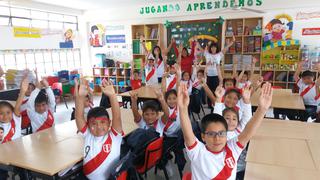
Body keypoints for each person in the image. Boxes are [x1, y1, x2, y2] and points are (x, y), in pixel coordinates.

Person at [177, 82, 273, 179]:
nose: (217, 138)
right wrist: (183, 108)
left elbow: (248, 132)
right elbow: (188, 134)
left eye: (221, 133)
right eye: (211, 134)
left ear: (226, 135)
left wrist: (262, 109)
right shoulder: (197, 152)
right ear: (203, 137)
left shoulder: (232, 148)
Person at [75, 78, 123, 180]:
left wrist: (112, 96)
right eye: (93, 123)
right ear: (88, 125)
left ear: (109, 123)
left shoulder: (114, 136)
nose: (99, 127)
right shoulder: (88, 134)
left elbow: (117, 117)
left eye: (102, 122)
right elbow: (79, 116)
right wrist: (80, 97)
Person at [200, 36, 235, 109]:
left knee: (216, 91)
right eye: (212, 47)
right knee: (209, 91)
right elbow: (200, 48)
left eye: (215, 47)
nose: (213, 49)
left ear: (216, 48)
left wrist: (231, 42)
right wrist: (196, 42)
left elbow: (225, 49)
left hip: (217, 76)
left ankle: (216, 104)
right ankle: (210, 106)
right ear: (210, 48)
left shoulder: (219, 54)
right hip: (209, 76)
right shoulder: (207, 54)